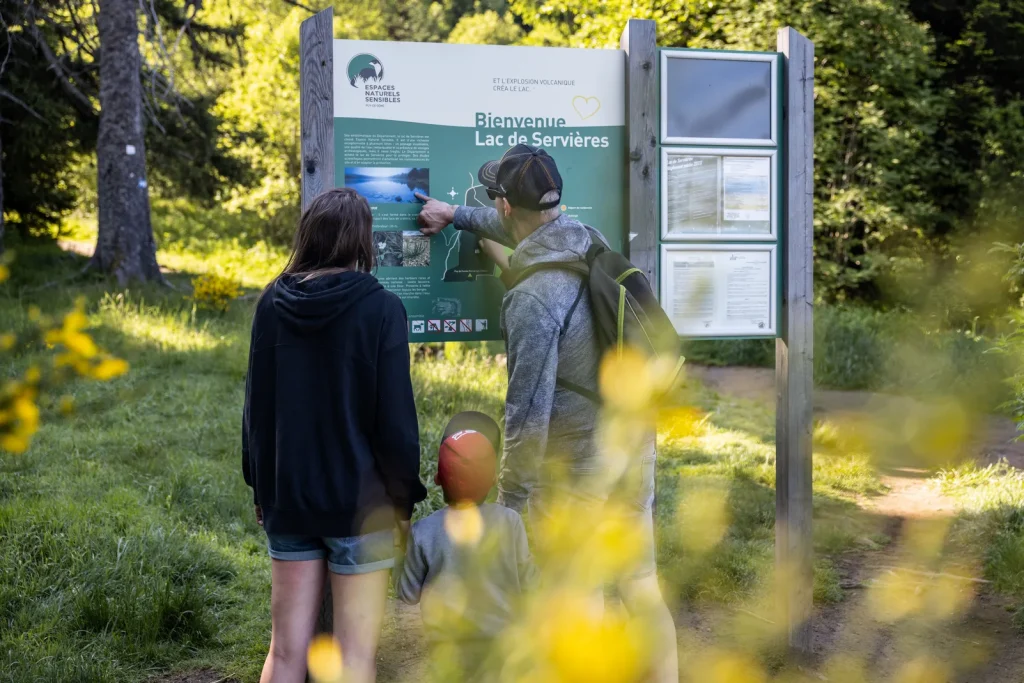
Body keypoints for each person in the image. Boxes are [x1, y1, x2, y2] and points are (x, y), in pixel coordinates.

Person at [415, 144, 679, 682]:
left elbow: (527, 411)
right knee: (638, 582)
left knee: (576, 594)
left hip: (576, 465)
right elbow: (514, 224)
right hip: (631, 445)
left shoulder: (534, 296)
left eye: (498, 202)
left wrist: (510, 501)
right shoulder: (589, 241)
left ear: (509, 207)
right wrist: (457, 215)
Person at [242, 187, 427, 683]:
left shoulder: (271, 304)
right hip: (361, 506)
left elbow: (256, 411)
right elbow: (395, 423)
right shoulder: (382, 309)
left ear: (310, 237)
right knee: (353, 660)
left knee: (284, 654)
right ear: (361, 241)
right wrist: (403, 500)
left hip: (290, 497)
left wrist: (260, 488)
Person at [397, 412, 535, 680]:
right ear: (494, 479)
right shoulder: (511, 522)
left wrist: (396, 555)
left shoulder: (424, 532)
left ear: (438, 479)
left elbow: (408, 594)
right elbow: (530, 582)